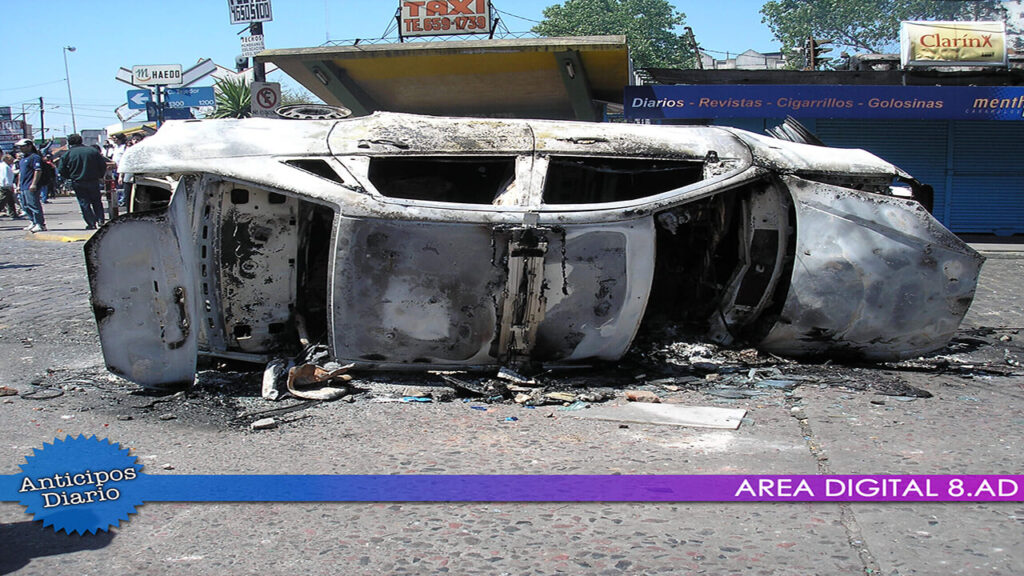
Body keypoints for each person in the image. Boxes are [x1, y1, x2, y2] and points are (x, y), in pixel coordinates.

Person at [58, 133, 108, 229]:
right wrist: (100, 175)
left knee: (84, 203)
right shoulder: (92, 151)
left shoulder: (67, 154)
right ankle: (100, 220)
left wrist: (69, 176)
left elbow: (61, 169)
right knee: (97, 201)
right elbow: (102, 165)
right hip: (93, 180)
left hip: (78, 181)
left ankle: (91, 223)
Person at [15, 139, 46, 233]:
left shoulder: (35, 157)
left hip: (30, 185)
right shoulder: (22, 159)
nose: (21, 148)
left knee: (34, 205)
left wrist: (34, 184)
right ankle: (33, 221)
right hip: (23, 185)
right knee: (25, 206)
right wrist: (18, 185)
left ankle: (40, 224)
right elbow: (20, 173)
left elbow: (38, 170)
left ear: (29, 146)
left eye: (23, 146)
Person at [1, 153, 22, 218]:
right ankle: (13, 214)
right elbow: (5, 176)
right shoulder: (5, 167)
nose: (12, 160)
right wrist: (8, 185)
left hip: (7, 186)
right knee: (2, 201)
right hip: (6, 186)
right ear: (6, 159)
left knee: (11, 201)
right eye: (11, 158)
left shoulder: (6, 166)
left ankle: (13, 214)